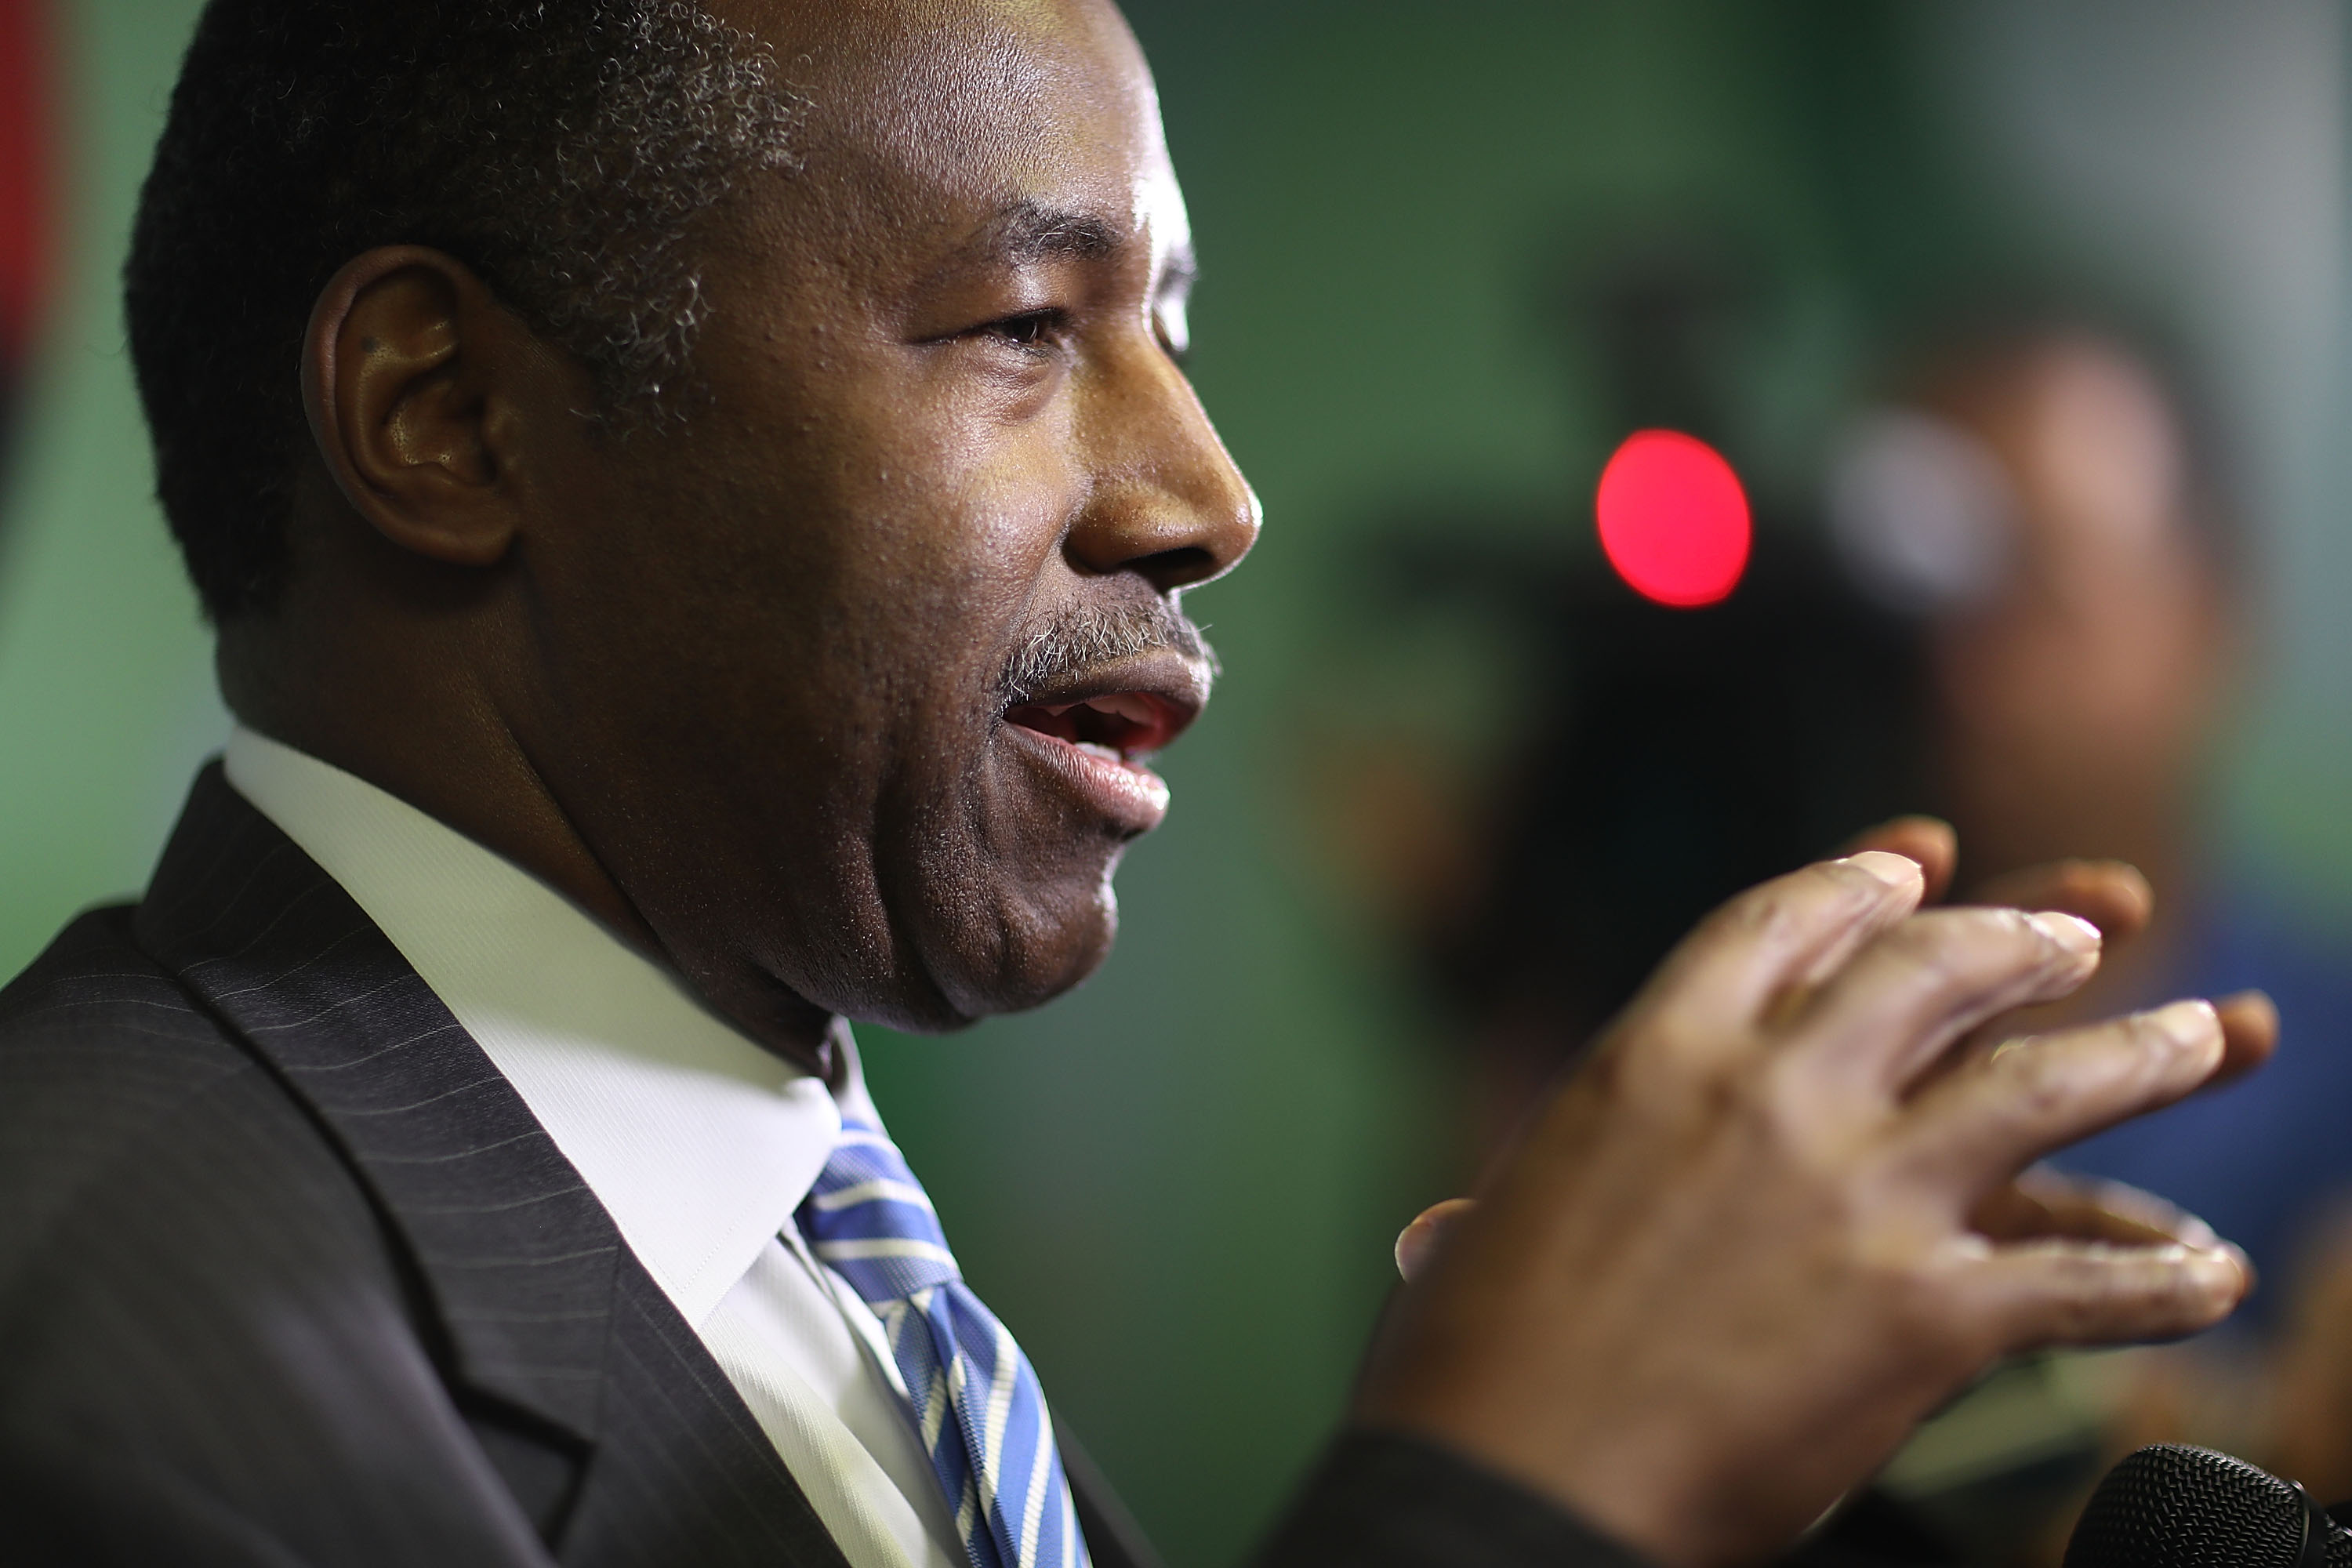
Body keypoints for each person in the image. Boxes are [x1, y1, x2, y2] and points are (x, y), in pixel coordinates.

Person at [0, 4, 2278, 1566]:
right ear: (446, 416)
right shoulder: (96, 1346)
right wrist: (1510, 1489)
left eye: (1168, 326)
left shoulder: (837, 1272)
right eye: (1022, 323)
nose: (1209, 491)